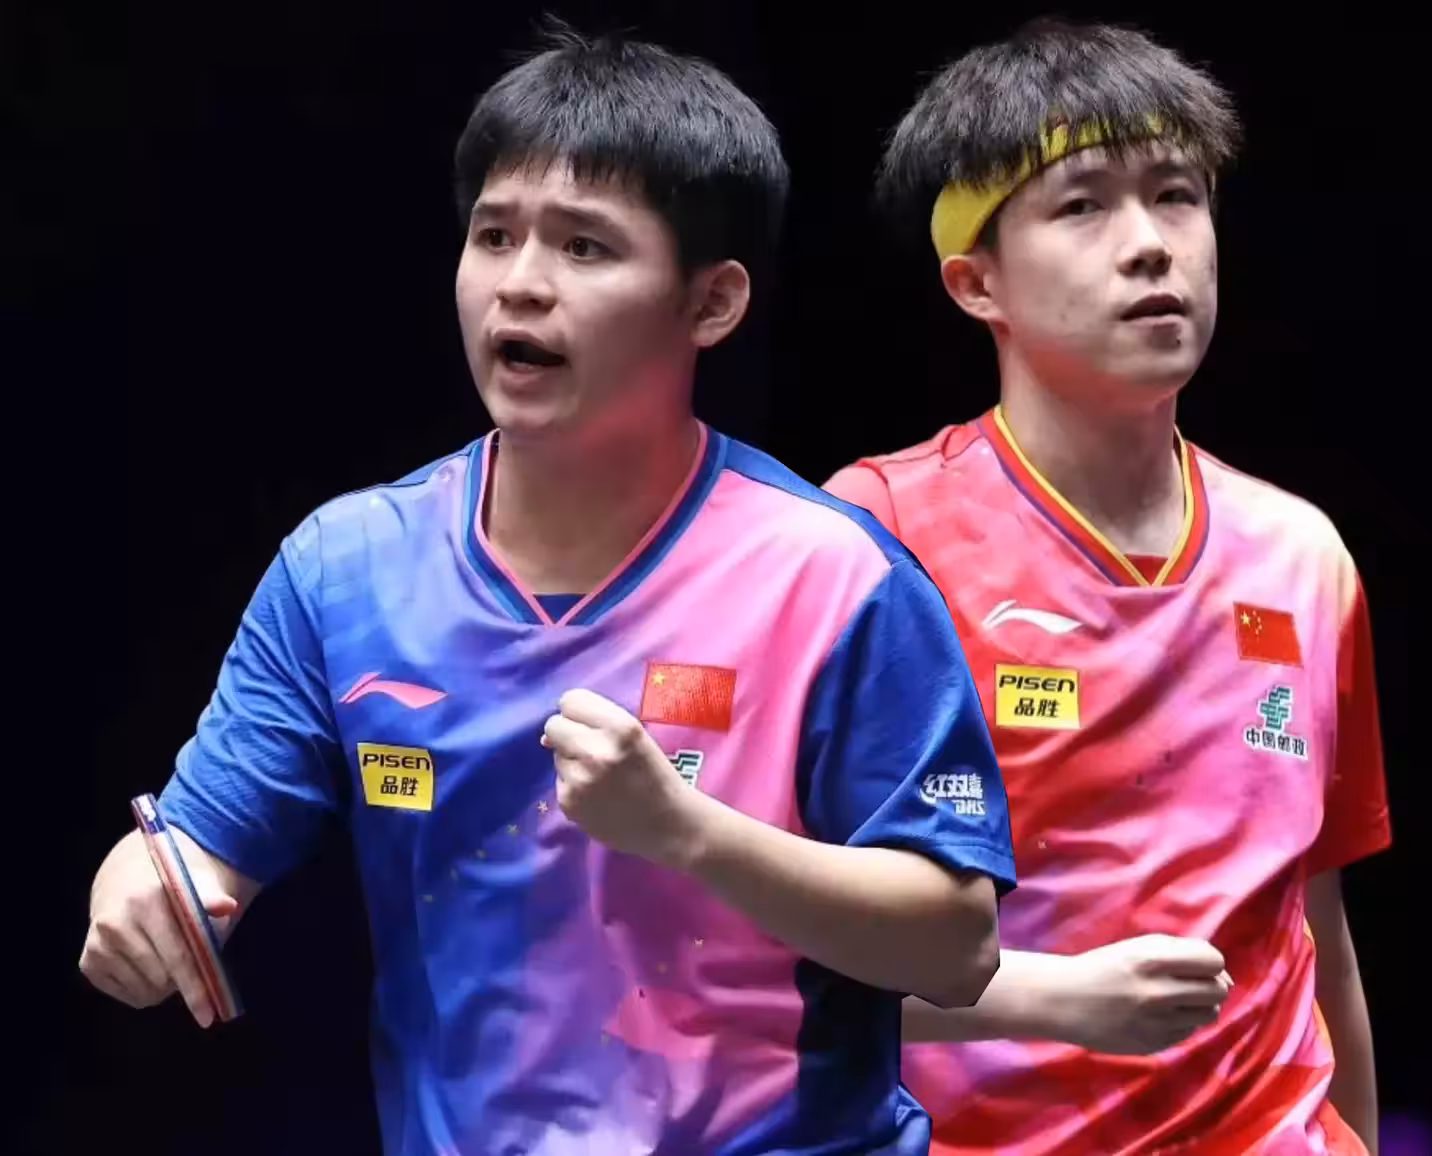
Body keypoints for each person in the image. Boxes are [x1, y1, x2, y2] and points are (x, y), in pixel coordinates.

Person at [79, 27, 1018, 1156]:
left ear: (712, 303)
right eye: (494, 235)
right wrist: (140, 887)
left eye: (584, 246)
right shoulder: (347, 569)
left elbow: (955, 948)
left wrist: (687, 834)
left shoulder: (836, 576)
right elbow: (198, 845)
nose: (520, 283)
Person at [824, 17, 1391, 1156]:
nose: (1150, 246)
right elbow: (771, 955)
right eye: (1082, 206)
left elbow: (1313, 928)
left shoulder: (1303, 556)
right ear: (976, 281)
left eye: (1177, 196)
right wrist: (1048, 997)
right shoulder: (876, 540)